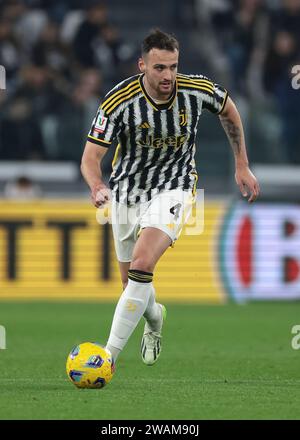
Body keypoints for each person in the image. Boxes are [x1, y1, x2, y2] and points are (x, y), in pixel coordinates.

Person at [81, 29, 260, 368]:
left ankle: (107, 357)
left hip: (174, 187)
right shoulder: (118, 102)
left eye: (173, 67)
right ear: (142, 66)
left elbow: (229, 109)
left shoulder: (196, 90)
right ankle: (155, 319)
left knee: (143, 263)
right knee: (132, 284)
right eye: (160, 68)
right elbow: (90, 158)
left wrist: (242, 164)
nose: (168, 76)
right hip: (127, 193)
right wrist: (96, 185)